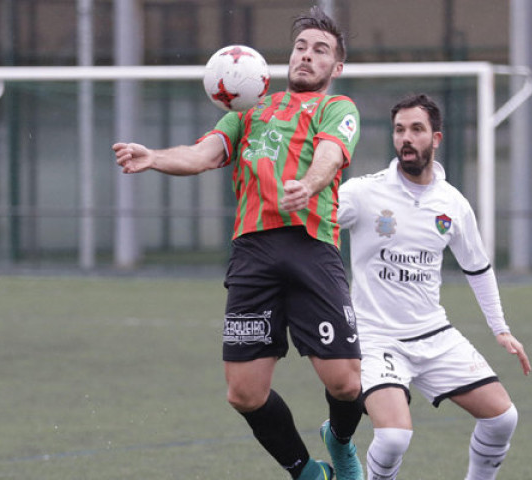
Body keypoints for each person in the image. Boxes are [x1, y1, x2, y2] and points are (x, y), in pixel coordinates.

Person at [113, 7, 364, 480]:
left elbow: (331, 155)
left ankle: (342, 440)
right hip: (253, 253)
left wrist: (308, 185)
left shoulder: (336, 108)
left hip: (312, 247)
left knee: (347, 383)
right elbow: (202, 155)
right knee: (244, 393)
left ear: (336, 67)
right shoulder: (249, 112)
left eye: (320, 51)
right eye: (301, 47)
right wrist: (155, 157)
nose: (307, 56)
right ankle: (310, 474)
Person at [337, 94, 532, 480]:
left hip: (434, 334)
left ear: (436, 138)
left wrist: (501, 329)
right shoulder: (362, 193)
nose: (406, 138)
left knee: (503, 418)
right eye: (399, 130)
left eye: (416, 129)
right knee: (393, 438)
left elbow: (477, 268)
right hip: (377, 339)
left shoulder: (452, 204)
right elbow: (314, 224)